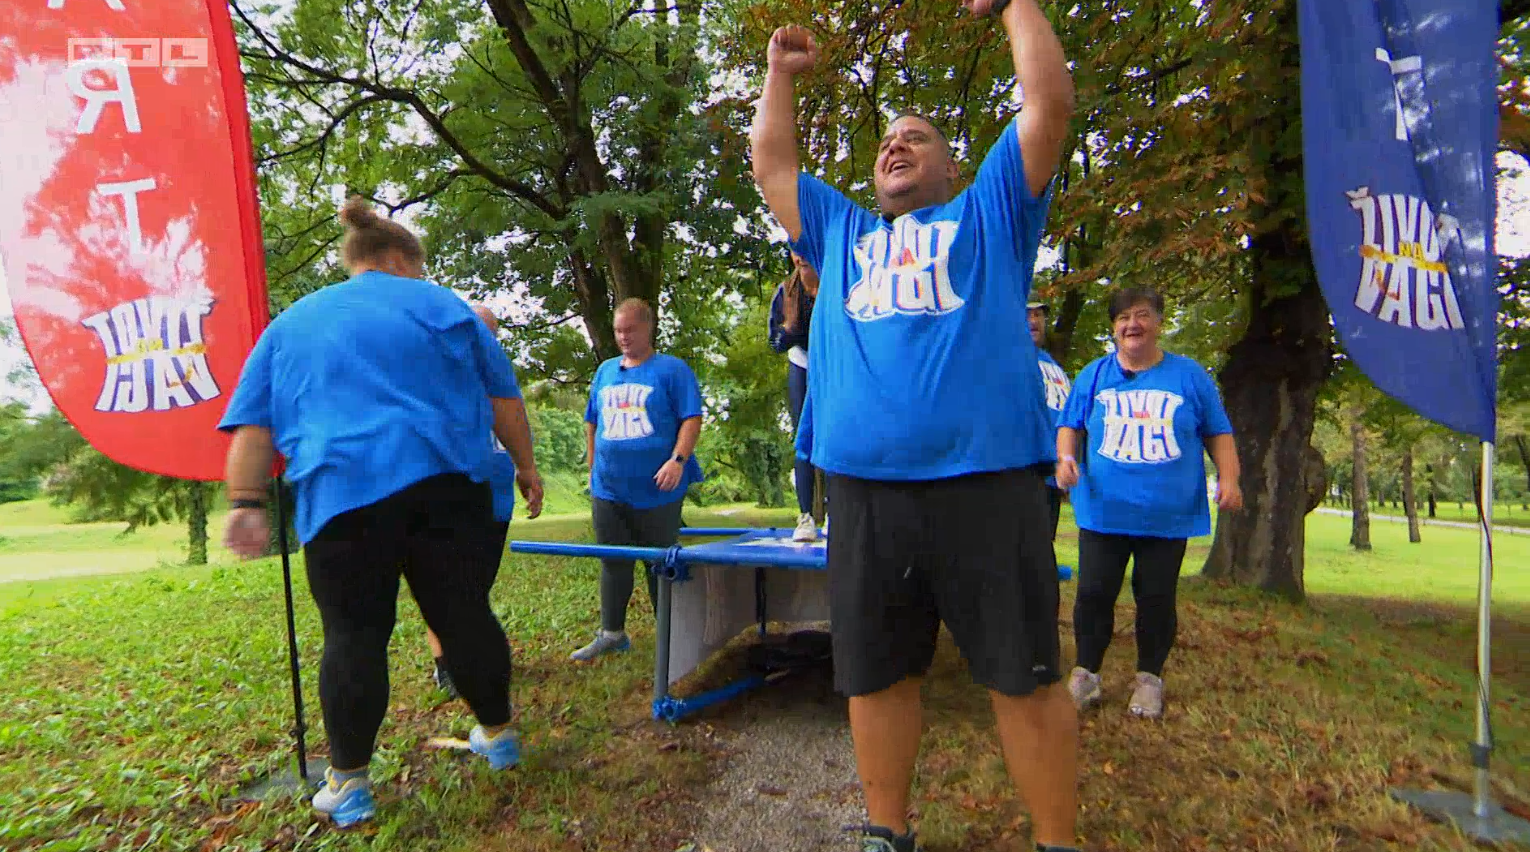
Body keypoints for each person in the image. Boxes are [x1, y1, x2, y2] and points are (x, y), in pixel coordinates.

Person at [748, 1, 1081, 850]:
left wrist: (1013, 4)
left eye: (917, 138)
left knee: (1023, 675)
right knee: (876, 671)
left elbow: (1047, 108)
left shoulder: (992, 213)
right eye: (886, 141)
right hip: (864, 493)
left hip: (986, 484)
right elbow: (772, 162)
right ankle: (884, 833)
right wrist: (779, 78)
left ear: (949, 165)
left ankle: (1056, 840)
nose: (896, 145)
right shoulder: (842, 232)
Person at [218, 197, 544, 828]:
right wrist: (526, 467)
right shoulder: (443, 305)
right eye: (417, 269)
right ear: (399, 259)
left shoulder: (293, 323)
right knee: (464, 615)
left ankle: (349, 784)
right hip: (451, 487)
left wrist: (245, 504)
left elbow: (255, 429)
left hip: (344, 496)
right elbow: (504, 398)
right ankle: (499, 736)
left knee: (354, 634)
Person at [1054, 287, 1243, 720]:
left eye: (1141, 315)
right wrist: (1065, 460)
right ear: (1114, 327)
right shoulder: (1094, 375)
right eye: (1122, 318)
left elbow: (1218, 431)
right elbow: (1069, 425)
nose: (1132, 324)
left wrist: (1229, 478)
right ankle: (1086, 674)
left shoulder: (1189, 375)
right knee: (1094, 593)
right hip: (1104, 511)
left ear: (1158, 321)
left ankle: (1149, 679)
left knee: (1156, 597)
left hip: (1167, 514)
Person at [570, 298, 705, 662]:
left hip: (658, 490)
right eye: (618, 331)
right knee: (613, 560)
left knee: (659, 563)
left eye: (630, 330)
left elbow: (691, 419)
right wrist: (593, 465)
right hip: (609, 489)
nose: (623, 337)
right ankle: (612, 634)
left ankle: (673, 637)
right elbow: (591, 421)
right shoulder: (605, 372)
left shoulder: (672, 371)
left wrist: (678, 460)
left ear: (649, 328)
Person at [425, 303, 517, 699]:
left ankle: (473, 656)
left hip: (497, 497)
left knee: (476, 588)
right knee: (444, 586)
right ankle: (446, 667)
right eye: (479, 330)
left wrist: (529, 473)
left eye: (491, 332)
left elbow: (513, 429)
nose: (485, 339)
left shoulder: (497, 377)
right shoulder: (437, 379)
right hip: (454, 496)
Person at [768, 251, 823, 542]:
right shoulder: (786, 291)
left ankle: (839, 512)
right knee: (804, 439)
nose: (801, 257)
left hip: (836, 365)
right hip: (802, 364)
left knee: (837, 436)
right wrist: (789, 326)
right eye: (794, 251)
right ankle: (806, 516)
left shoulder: (835, 280)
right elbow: (775, 343)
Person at [1030, 300, 1073, 544]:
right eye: (1027, 314)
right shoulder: (1006, 356)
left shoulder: (1053, 365)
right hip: (1025, 473)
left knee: (1044, 547)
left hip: (1053, 475)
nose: (1034, 321)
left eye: (1038, 315)